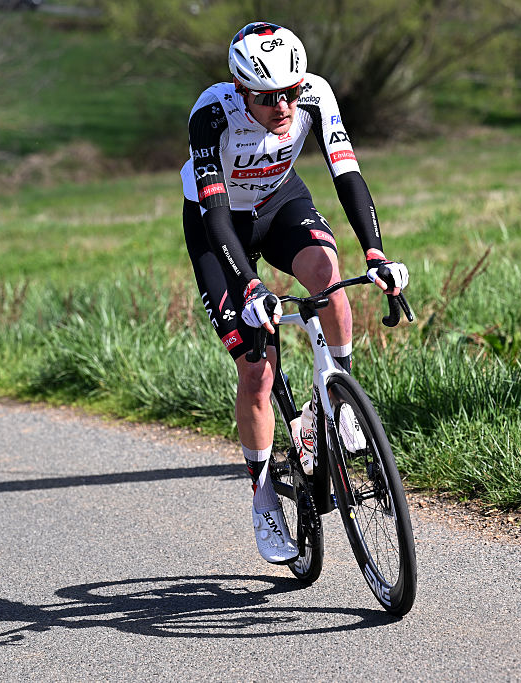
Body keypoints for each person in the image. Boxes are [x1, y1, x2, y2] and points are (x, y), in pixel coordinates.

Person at [181, 22, 409, 565]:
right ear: (241, 92)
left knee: (328, 274)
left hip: (281, 200)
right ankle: (262, 499)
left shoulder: (315, 93)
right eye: (268, 98)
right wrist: (252, 285)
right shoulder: (211, 114)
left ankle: (338, 396)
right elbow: (215, 215)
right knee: (257, 368)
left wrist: (375, 252)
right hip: (220, 225)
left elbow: (347, 176)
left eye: (290, 91)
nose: (283, 106)